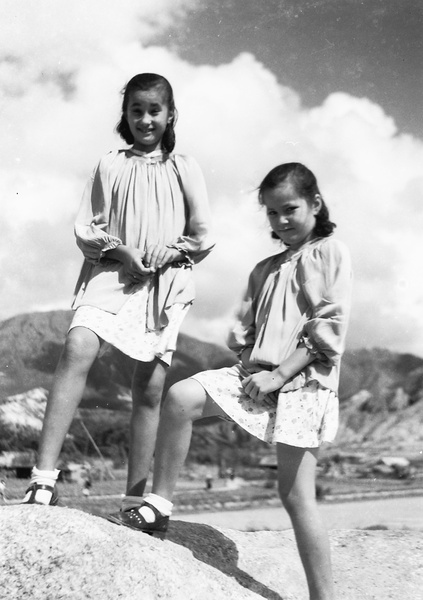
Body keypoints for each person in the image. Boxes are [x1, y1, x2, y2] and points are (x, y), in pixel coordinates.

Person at [109, 163, 352, 600]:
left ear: (315, 204)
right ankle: (160, 506)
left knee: (296, 496)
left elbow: (328, 326)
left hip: (304, 381)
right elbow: (245, 332)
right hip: (257, 375)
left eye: (290, 209)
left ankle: (325, 598)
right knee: (182, 396)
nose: (280, 221)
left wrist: (280, 374)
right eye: (272, 213)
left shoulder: (330, 252)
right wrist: (253, 368)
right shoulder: (264, 268)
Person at [21, 73, 213, 508]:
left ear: (170, 115)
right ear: (125, 115)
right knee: (76, 346)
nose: (145, 120)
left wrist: (170, 251)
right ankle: (43, 479)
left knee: (149, 387)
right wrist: (121, 250)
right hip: (113, 270)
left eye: (154, 111)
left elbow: (203, 233)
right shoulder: (109, 164)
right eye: (136, 110)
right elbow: (87, 226)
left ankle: (134, 500)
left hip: (165, 281)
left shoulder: (185, 167)